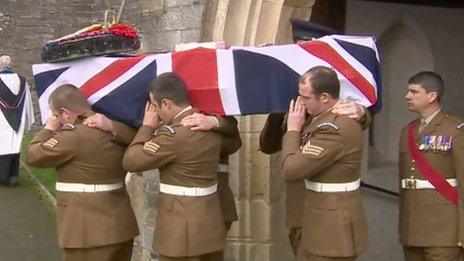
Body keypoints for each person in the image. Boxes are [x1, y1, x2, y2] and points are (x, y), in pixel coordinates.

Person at [259, 19, 372, 255]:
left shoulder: (329, 89)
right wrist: (281, 110)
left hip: (325, 215)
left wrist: (363, 113)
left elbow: (346, 119)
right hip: (302, 209)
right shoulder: (295, 97)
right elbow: (268, 145)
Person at [25, 84, 139, 261]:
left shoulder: (72, 137)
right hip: (121, 227)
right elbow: (139, 139)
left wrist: (48, 128)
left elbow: (33, 156)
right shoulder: (114, 129)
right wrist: (114, 126)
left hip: (86, 232)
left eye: (56, 115)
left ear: (65, 113)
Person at [122, 72, 225, 261]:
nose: (155, 112)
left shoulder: (172, 136)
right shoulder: (209, 125)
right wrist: (217, 121)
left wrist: (147, 127)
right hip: (210, 223)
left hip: (180, 228)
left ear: (167, 104)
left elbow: (130, 161)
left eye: (155, 106)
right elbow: (233, 140)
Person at [281, 66, 367, 260]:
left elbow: (291, 170)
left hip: (331, 227)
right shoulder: (316, 119)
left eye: (305, 97)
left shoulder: (333, 127)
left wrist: (293, 130)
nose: (300, 102)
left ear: (325, 98)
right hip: (312, 218)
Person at [399, 71, 464, 261]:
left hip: (444, 230)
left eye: (414, 92)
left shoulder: (455, 129)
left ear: (432, 96)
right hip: (412, 229)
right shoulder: (407, 131)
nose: (407, 96)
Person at [0, 55, 34, 186]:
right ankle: (13, 176)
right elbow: (27, 102)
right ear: (11, 64)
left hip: (1, 118)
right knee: (14, 145)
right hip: (17, 117)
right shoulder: (22, 80)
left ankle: (2, 176)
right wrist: (27, 118)